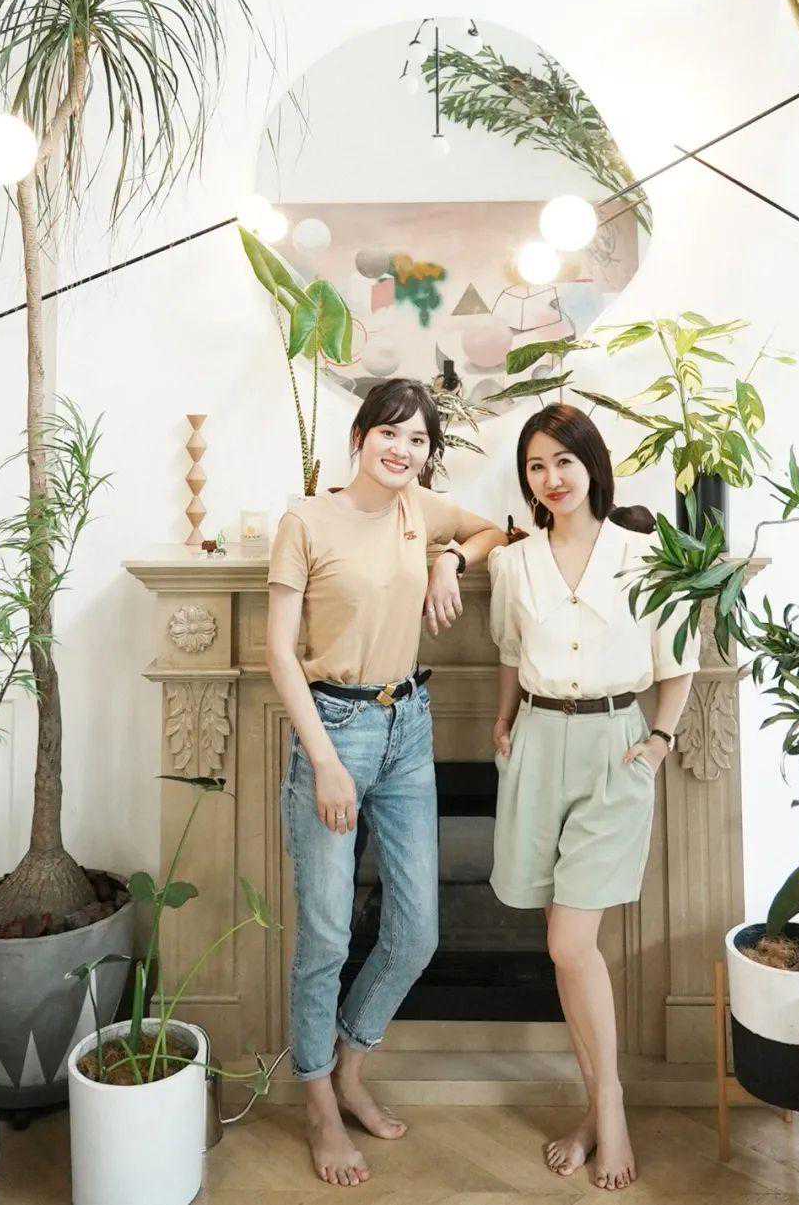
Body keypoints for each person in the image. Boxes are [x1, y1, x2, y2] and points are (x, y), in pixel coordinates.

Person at [267, 377, 504, 1187]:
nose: (402, 449)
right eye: (389, 432)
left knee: (417, 932)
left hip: (410, 726)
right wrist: (324, 761)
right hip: (332, 729)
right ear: (360, 436)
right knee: (328, 935)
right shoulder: (306, 520)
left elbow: (490, 530)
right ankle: (317, 1101)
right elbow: (278, 653)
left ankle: (350, 1067)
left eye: (418, 439)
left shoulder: (419, 509)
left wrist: (448, 559)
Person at [488, 404, 699, 1191]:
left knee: (570, 943)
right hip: (539, 742)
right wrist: (504, 722)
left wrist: (659, 741)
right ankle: (592, 1110)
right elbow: (509, 650)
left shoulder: (643, 553)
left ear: (592, 465)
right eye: (536, 465)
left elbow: (679, 657)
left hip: (617, 746)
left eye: (564, 461)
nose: (552, 477)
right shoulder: (515, 563)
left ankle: (609, 1110)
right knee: (562, 944)